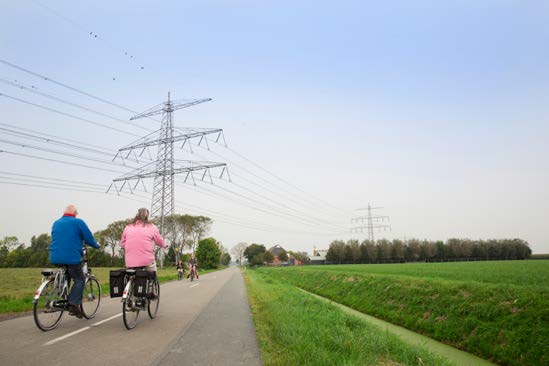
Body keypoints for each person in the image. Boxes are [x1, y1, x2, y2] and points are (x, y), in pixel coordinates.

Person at [50, 204, 100, 319]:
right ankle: (73, 303)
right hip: (71, 257)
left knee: (67, 273)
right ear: (75, 213)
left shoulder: (56, 223)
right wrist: (97, 245)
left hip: (55, 257)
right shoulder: (78, 222)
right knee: (79, 278)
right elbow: (88, 238)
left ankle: (62, 293)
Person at [121, 208, 167, 272]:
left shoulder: (128, 227)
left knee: (130, 274)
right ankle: (152, 281)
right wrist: (164, 245)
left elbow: (123, 244)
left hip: (130, 261)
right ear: (147, 216)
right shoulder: (152, 227)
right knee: (153, 274)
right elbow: (159, 240)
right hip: (147, 261)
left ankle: (130, 281)